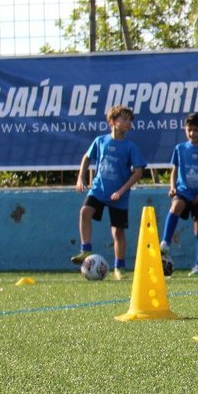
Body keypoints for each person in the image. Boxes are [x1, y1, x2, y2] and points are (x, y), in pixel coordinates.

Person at [70, 104, 146, 280]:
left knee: (118, 232)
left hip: (119, 194)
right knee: (85, 212)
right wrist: (81, 177)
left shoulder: (130, 147)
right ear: (112, 121)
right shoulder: (100, 141)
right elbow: (87, 158)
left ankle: (119, 267)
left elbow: (138, 172)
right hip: (99, 189)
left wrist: (122, 190)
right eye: (124, 119)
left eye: (130, 120)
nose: (129, 123)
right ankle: (85, 249)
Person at [161, 112, 198, 276]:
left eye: (196, 130)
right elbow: (175, 170)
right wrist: (173, 187)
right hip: (184, 191)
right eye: (189, 130)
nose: (192, 133)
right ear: (185, 130)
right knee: (176, 205)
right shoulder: (180, 148)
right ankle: (165, 243)